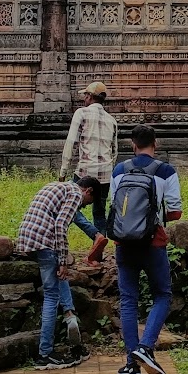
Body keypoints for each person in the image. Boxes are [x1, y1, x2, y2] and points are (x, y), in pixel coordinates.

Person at [107, 124, 181, 374]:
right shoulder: (165, 171)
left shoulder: (119, 170)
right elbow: (175, 212)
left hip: (123, 243)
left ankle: (131, 364)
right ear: (155, 144)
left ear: (132, 144)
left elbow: (115, 207)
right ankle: (146, 346)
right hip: (153, 242)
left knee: (128, 300)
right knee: (162, 294)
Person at [15, 173, 97, 369]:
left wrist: (62, 265)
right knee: (51, 296)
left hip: (28, 239)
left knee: (61, 278)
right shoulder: (76, 194)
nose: (83, 206)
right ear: (88, 191)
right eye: (88, 202)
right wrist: (63, 260)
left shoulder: (57, 185)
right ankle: (45, 354)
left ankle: (70, 316)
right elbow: (60, 225)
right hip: (45, 242)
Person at [61, 81, 117, 263]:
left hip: (85, 171)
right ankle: (97, 254)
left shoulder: (81, 113)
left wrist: (63, 171)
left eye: (85, 95)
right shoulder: (112, 120)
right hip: (106, 173)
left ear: (89, 97)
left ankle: (95, 236)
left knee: (68, 205)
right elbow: (114, 150)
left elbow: (71, 143)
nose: (84, 98)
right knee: (99, 212)